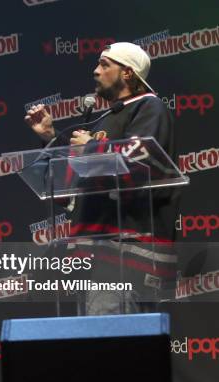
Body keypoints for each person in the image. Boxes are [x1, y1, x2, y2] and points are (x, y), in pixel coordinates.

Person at [24, 42, 179, 315]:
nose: (96, 71)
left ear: (128, 73)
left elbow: (139, 163)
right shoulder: (107, 119)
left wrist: (92, 148)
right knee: (104, 346)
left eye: (105, 65)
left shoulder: (148, 107)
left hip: (125, 255)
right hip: (99, 256)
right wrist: (51, 136)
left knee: (110, 346)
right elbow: (83, 182)